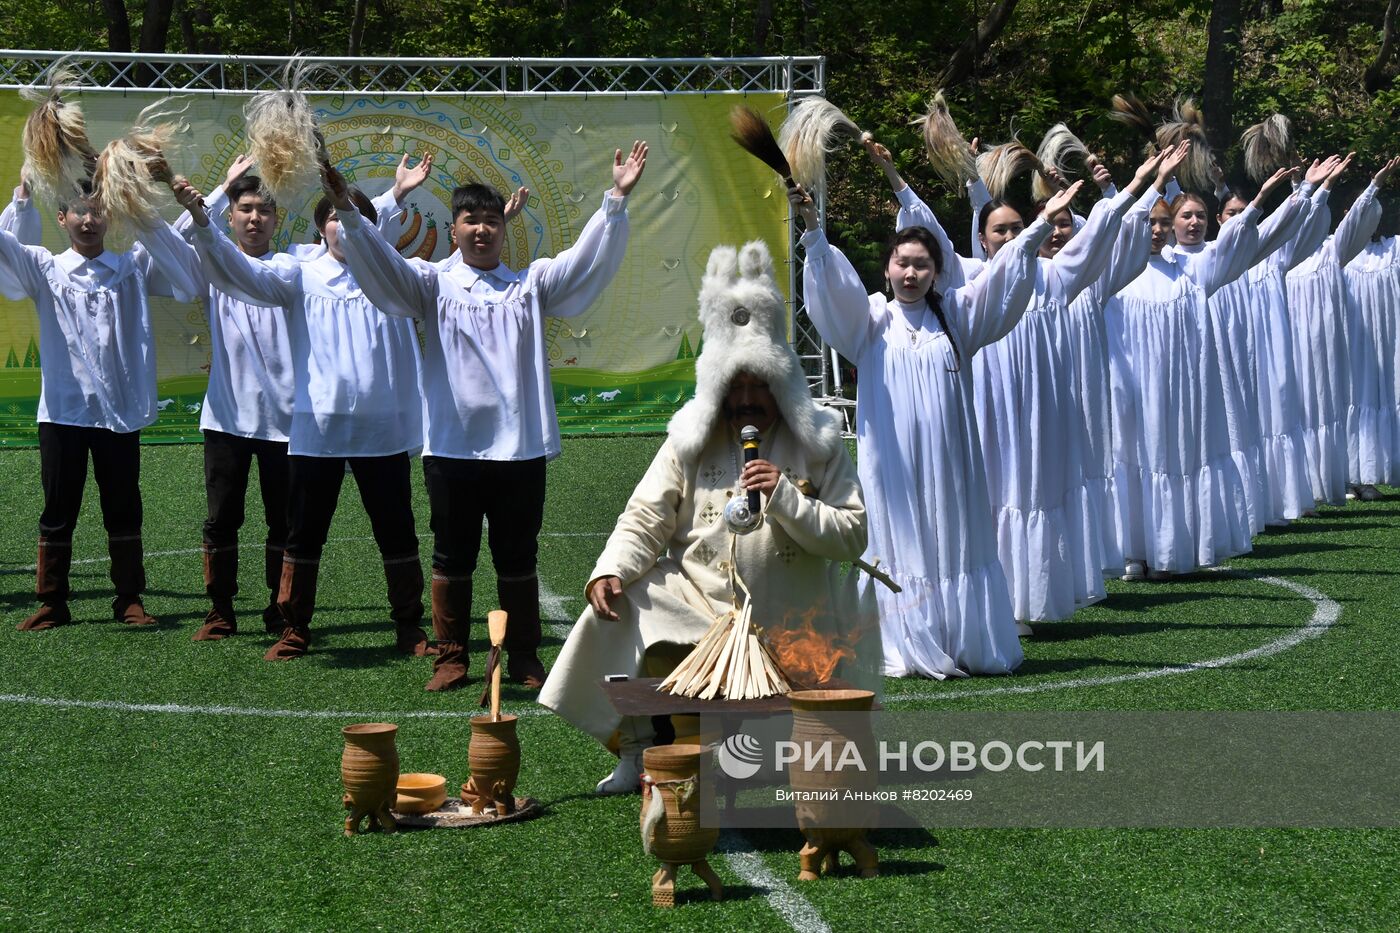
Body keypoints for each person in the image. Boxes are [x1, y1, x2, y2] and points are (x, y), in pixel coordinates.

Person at [538, 239, 869, 792]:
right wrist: (611, 569)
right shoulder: (689, 440)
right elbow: (646, 514)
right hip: (700, 603)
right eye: (733, 385)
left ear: (781, 383)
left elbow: (852, 536)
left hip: (787, 616)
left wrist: (787, 498)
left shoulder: (819, 442)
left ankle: (768, 747)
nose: (745, 400)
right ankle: (637, 750)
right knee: (617, 606)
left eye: (757, 385)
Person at [328, 142, 647, 691]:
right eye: (470, 220)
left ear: (505, 228)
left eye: (492, 221)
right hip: (451, 449)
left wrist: (615, 199)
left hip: (518, 449)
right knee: (452, 556)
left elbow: (585, 261)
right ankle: (451, 655)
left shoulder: (530, 286)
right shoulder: (430, 283)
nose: (482, 230)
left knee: (518, 554)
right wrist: (351, 215)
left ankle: (522, 655)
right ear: (453, 229)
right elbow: (380, 265)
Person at [793, 145, 1076, 679]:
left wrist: (1040, 226)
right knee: (900, 540)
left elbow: (1005, 276)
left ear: (936, 272)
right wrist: (811, 226)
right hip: (893, 465)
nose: (911, 272)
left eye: (922, 265)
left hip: (952, 463)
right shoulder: (871, 322)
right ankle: (902, 641)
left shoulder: (960, 317)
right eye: (902, 263)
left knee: (955, 537)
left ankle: (962, 639)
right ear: (887, 269)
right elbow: (832, 284)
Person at [173, 172, 429, 662]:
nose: (342, 225)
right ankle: (293, 628)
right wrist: (204, 222)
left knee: (396, 530)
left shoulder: (398, 276)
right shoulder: (299, 275)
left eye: (350, 217)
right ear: (319, 231)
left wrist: (389, 198)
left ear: (371, 229)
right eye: (332, 217)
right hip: (317, 430)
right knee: (304, 532)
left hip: (383, 431)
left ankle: (409, 626)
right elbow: (241, 273)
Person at [955, 149, 1166, 626]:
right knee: (988, 496)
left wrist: (1137, 185)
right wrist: (968, 181)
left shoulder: (1055, 276)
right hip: (989, 409)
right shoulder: (971, 278)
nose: (1009, 238)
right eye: (999, 231)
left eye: (1016, 229)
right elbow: (926, 240)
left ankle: (1030, 599)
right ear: (982, 240)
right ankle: (991, 602)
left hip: (1038, 411)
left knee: (1034, 493)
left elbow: (1100, 236)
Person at [0, 178, 202, 630]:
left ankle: (128, 599)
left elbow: (177, 233)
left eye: (97, 211)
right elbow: (4, 245)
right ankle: (53, 601)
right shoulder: (44, 268)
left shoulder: (131, 267)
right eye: (78, 211)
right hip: (63, 413)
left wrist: (222, 191)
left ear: (110, 218)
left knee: (124, 506)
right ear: (62, 218)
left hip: (120, 413)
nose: (88, 220)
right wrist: (23, 197)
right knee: (58, 509)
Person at [1107, 162, 1291, 581]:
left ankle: (1167, 551)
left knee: (1170, 463)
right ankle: (1134, 551)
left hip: (1175, 394)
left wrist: (1263, 202)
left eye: (1161, 223)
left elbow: (1245, 246)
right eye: (1150, 222)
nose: (1156, 230)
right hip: (1130, 391)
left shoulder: (1188, 272)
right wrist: (1148, 183)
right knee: (1131, 464)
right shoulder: (1115, 274)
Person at [1209, 158, 1340, 526]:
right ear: (1219, 219)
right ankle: (1237, 509)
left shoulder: (1266, 255)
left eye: (1242, 212)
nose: (1237, 218)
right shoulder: (1207, 257)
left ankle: (1277, 499)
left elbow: (1288, 225)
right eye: (1229, 213)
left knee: (1272, 417)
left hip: (1264, 350)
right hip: (1223, 354)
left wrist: (1309, 190)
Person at [1285, 155, 1381, 507]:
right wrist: (1303, 187)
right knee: (1295, 414)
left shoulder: (1331, 252)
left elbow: (1355, 222)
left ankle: (1330, 479)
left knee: (1327, 412)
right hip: (1291, 351)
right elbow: (1293, 215)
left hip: (1326, 353)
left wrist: (1373, 187)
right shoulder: (1280, 258)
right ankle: (1299, 484)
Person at [1342, 157, 1400, 500]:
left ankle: (1385, 469)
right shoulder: (1337, 250)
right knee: (1356, 398)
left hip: (1390, 341)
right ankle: (1357, 476)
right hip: (1354, 341)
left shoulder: (1393, 249)